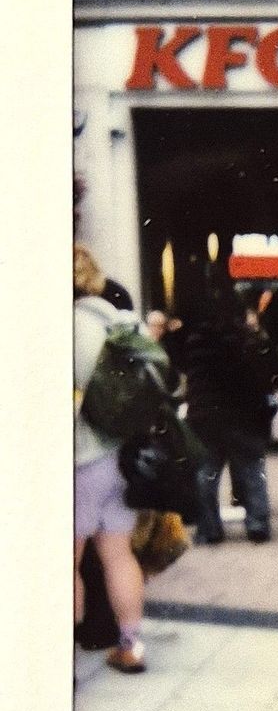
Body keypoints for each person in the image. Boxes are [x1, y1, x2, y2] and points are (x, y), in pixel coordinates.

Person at [73, 262, 146, 673]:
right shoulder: (123, 322)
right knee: (119, 556)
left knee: (67, 563)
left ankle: (61, 664)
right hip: (120, 460)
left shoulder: (66, 327)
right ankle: (131, 646)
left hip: (80, 459)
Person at [178, 285, 278, 545]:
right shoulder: (246, 338)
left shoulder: (196, 340)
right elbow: (260, 377)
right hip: (244, 415)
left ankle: (209, 529)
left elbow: (191, 376)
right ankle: (258, 523)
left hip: (207, 417)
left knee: (207, 473)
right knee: (252, 470)